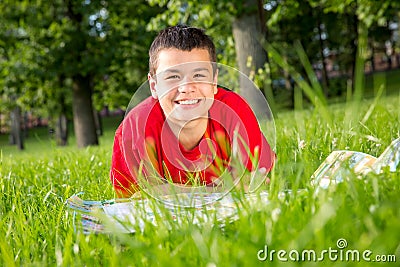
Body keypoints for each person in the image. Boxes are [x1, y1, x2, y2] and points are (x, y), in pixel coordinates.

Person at [110, 25, 275, 198]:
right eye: (173, 77)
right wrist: (222, 189)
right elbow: (133, 202)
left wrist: (172, 191)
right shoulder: (134, 128)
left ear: (214, 81)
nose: (187, 88)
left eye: (199, 75)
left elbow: (256, 185)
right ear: (154, 86)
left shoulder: (235, 112)